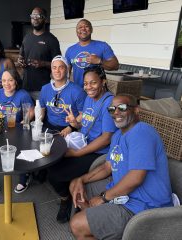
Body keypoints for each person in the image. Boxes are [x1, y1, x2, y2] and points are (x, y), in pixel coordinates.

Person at [69, 93, 173, 240]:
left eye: (122, 108)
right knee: (77, 188)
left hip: (144, 206)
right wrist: (81, 179)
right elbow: (107, 167)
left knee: (77, 224)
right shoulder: (118, 135)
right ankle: (101, 225)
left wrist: (104, 198)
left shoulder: (142, 132)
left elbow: (136, 178)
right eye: (112, 109)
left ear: (136, 110)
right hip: (124, 196)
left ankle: (95, 224)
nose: (116, 112)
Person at [48, 65, 117, 223]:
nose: (88, 87)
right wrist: (74, 124)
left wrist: (77, 153)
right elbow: (85, 125)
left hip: (98, 153)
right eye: (86, 84)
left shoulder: (109, 103)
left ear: (103, 81)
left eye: (93, 83)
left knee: (55, 174)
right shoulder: (88, 98)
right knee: (51, 160)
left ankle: (66, 201)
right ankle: (68, 195)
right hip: (84, 143)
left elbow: (106, 138)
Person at [0, 69, 34, 193]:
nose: (6, 83)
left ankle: (24, 176)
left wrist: (25, 120)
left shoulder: (22, 94)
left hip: (16, 128)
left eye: (10, 80)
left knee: (23, 143)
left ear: (16, 81)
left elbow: (31, 110)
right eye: (3, 80)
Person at [18, 7, 61, 100]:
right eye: (33, 16)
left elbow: (59, 65)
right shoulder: (26, 38)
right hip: (25, 87)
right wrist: (20, 61)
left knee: (40, 115)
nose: (35, 18)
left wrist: (43, 63)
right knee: (26, 114)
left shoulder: (52, 40)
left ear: (45, 19)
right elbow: (21, 56)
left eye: (38, 16)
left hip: (42, 89)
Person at [39, 55, 86, 136]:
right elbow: (42, 110)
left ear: (67, 69)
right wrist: (37, 124)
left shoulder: (77, 91)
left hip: (69, 128)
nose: (57, 71)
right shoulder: (45, 89)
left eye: (61, 67)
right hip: (49, 126)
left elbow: (83, 114)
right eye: (54, 67)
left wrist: (70, 127)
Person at [65, 19, 119, 87]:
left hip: (97, 92)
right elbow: (66, 73)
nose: (83, 29)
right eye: (80, 27)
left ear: (91, 30)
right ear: (76, 31)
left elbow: (116, 65)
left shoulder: (102, 46)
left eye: (86, 26)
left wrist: (99, 61)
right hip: (78, 92)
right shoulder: (70, 50)